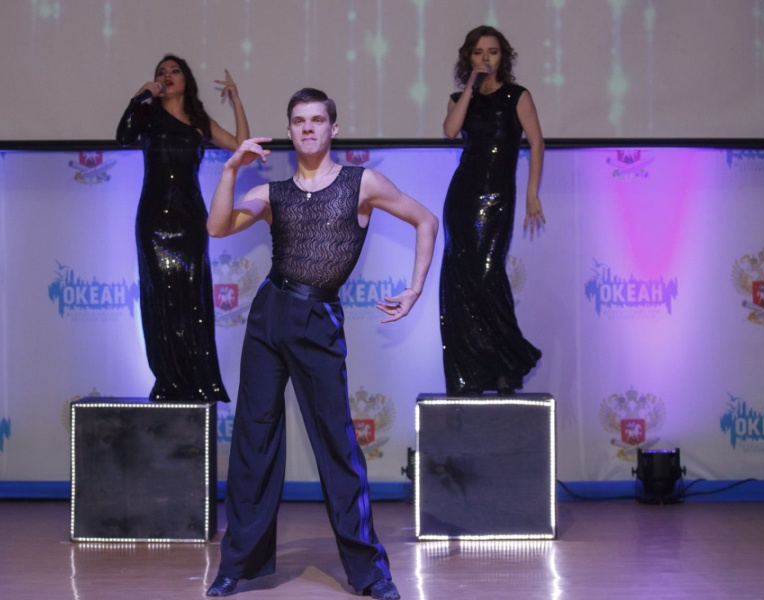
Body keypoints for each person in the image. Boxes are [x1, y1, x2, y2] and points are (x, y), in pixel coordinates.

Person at [204, 88, 438, 599]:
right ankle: (236, 566)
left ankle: (371, 574)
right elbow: (217, 227)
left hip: (317, 319)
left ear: (333, 128)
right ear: (290, 131)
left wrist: (415, 288)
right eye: (298, 121)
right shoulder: (272, 193)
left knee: (336, 444)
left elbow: (427, 220)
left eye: (316, 120)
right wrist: (230, 170)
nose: (307, 128)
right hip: (269, 314)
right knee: (253, 441)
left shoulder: (362, 183)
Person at [116, 54, 249, 403]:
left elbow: (243, 149)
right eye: (161, 72)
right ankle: (168, 379)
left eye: (174, 71)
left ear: (186, 79)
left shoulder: (200, 121)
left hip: (190, 219)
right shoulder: (147, 116)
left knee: (191, 299)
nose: (167, 75)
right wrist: (139, 96)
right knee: (160, 299)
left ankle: (195, 381)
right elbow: (123, 136)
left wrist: (236, 100)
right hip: (153, 220)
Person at [440, 26, 546, 396]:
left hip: (499, 197)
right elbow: (450, 131)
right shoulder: (460, 98)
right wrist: (471, 85)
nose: (486, 58)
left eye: (493, 52)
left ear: (504, 56)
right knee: (460, 281)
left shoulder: (517, 96)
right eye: (478, 52)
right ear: (468, 57)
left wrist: (532, 194)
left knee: (488, 275)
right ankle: (472, 372)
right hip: (462, 198)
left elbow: (536, 143)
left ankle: (507, 361)